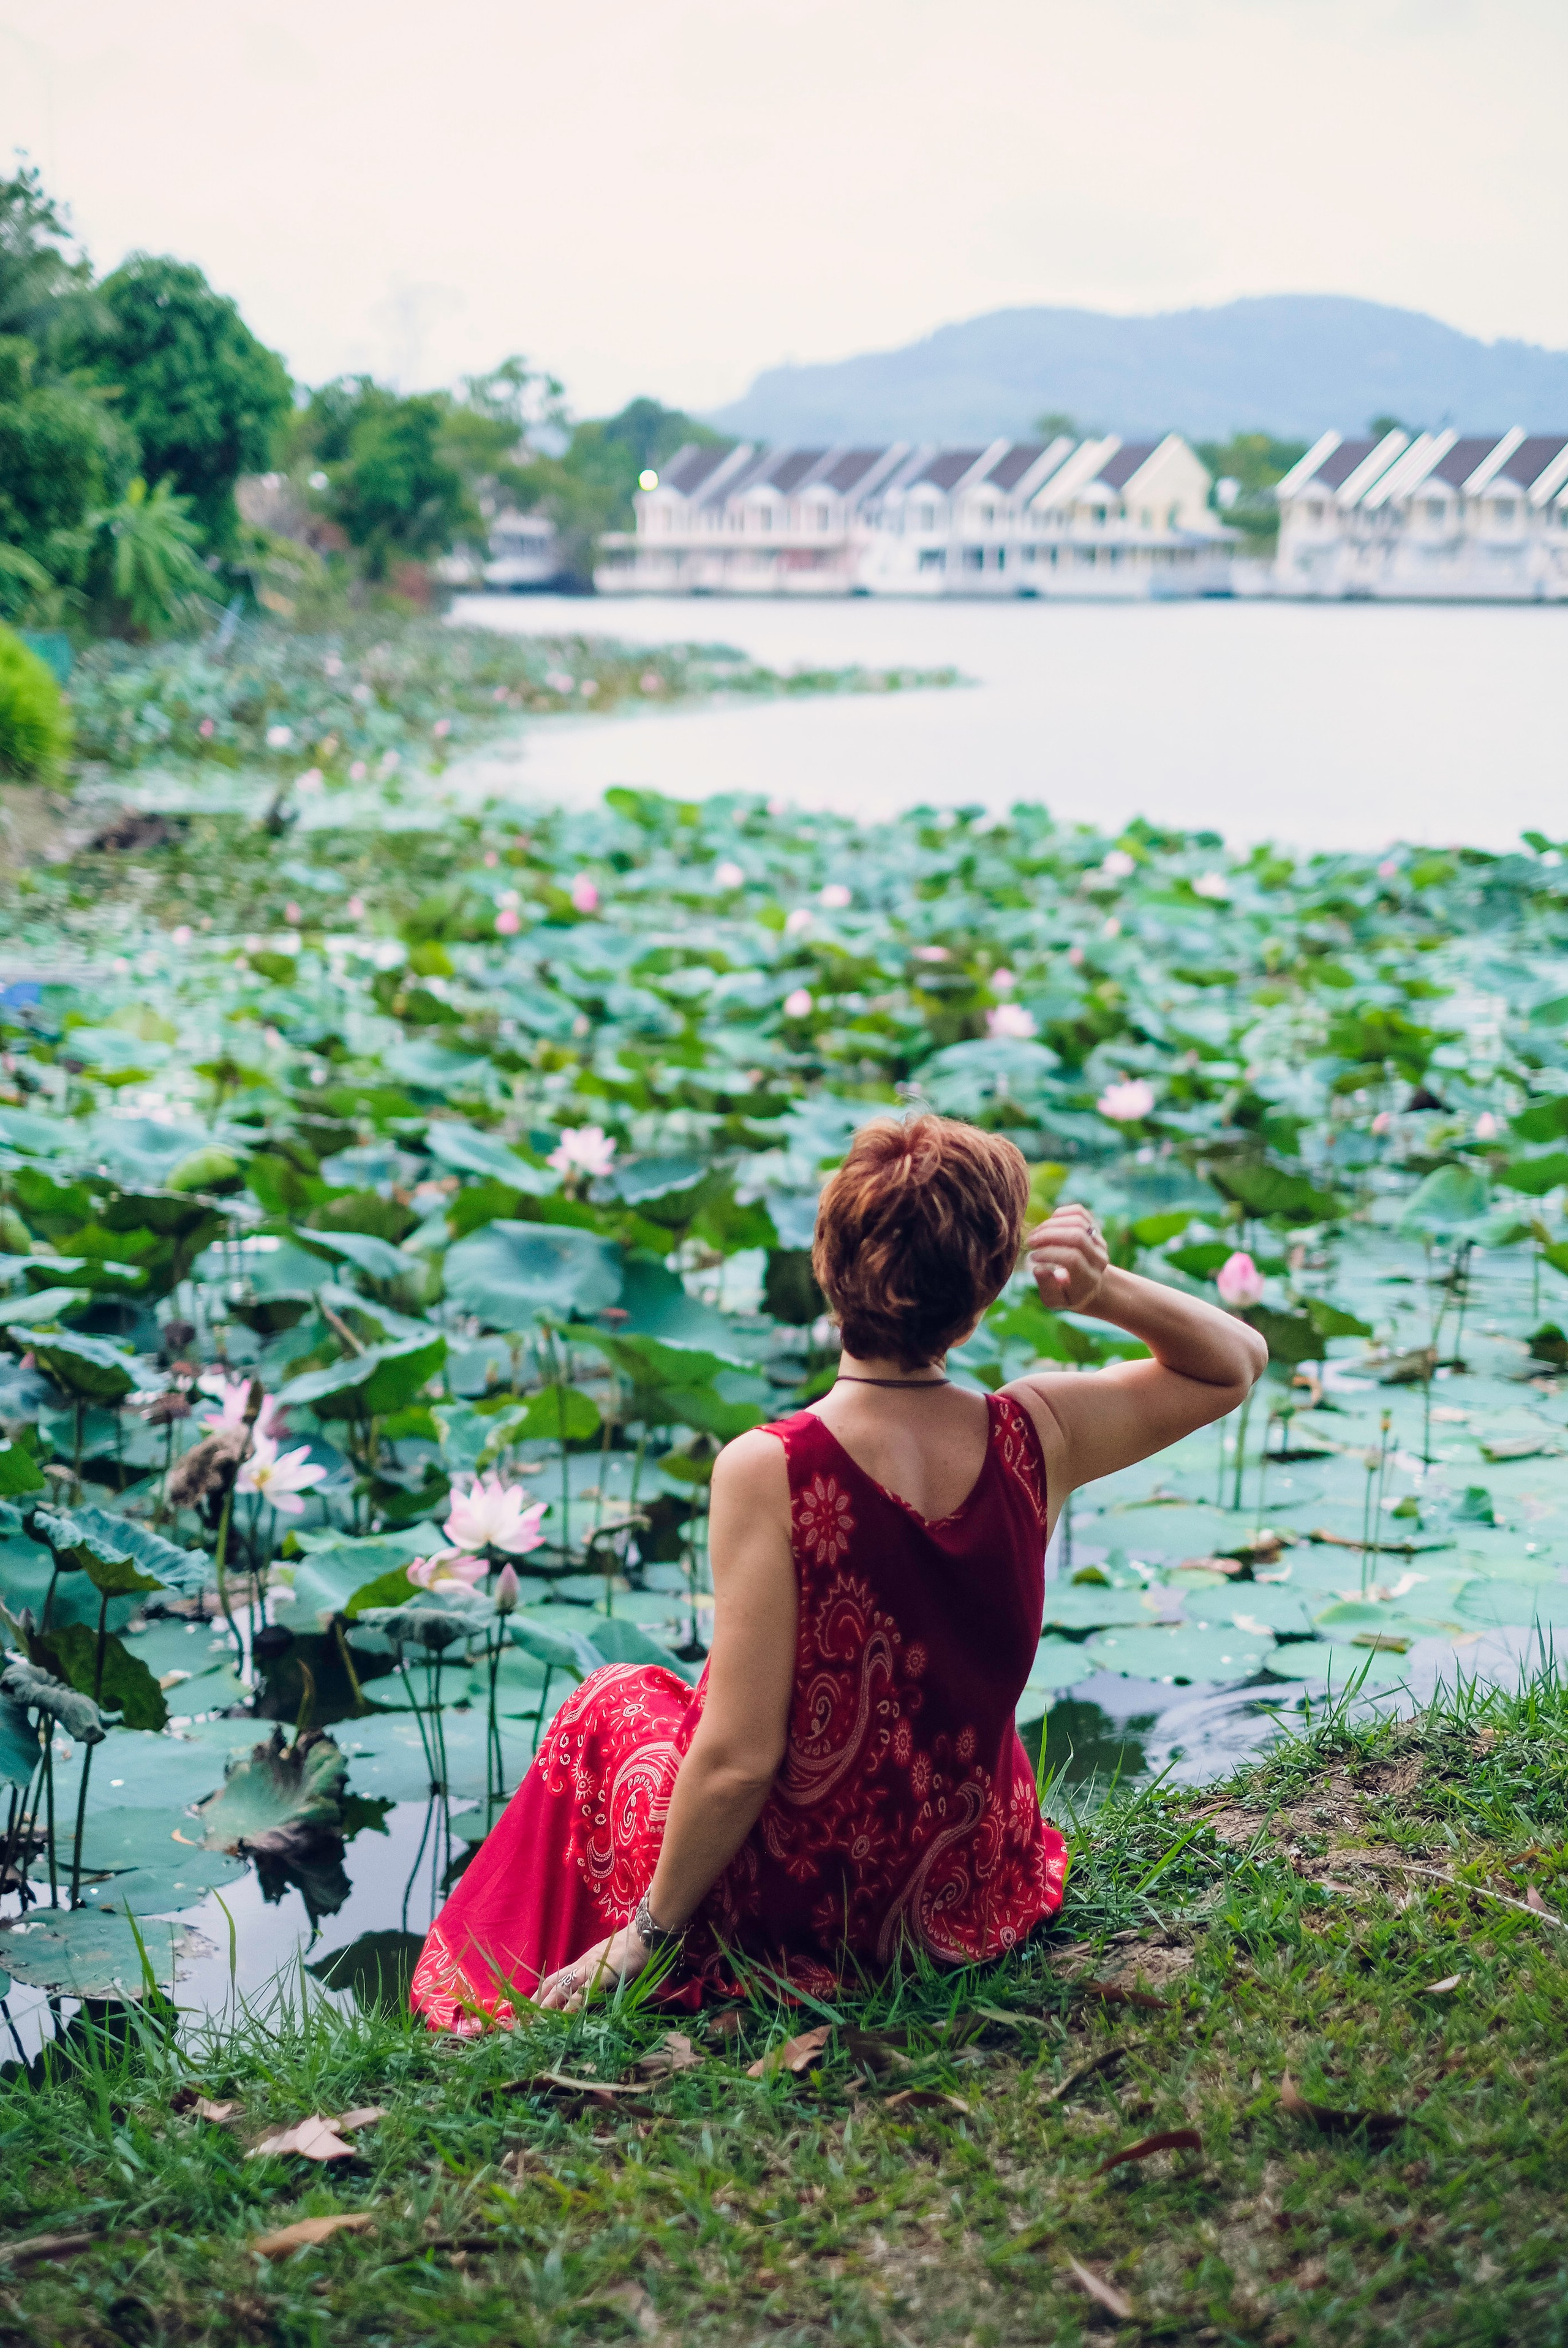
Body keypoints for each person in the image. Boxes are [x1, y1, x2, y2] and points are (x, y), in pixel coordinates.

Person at [409, 1114, 1267, 2028]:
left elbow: (741, 1760)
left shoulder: (771, 1466)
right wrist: (1103, 1290)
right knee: (661, 1697)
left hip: (811, 1918)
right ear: (980, 1300)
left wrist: (650, 1934)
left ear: (828, 1262)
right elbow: (1233, 1364)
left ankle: (524, 1983)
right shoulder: (1036, 1433)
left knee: (611, 1700)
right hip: (969, 1887)